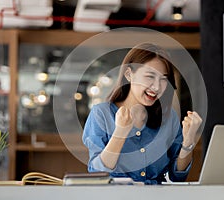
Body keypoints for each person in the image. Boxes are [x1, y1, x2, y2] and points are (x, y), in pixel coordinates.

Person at [82, 43, 202, 184]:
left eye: (163, 79)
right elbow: (98, 174)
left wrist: (188, 143)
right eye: (150, 76)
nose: (157, 87)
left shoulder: (169, 118)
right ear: (128, 74)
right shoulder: (101, 114)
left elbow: (178, 175)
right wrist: (120, 133)